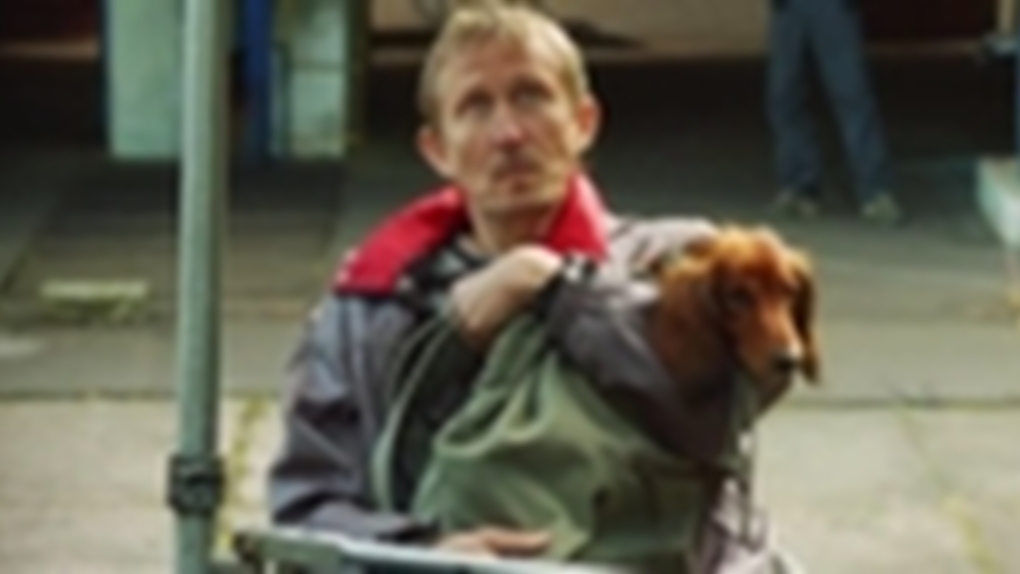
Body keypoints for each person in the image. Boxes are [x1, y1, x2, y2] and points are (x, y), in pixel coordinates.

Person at [268, 3, 799, 571]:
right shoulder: (370, 305)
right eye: (475, 107)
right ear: (438, 150)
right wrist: (428, 553)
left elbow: (720, 404)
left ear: (583, 123)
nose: (509, 134)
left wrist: (557, 288)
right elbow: (308, 507)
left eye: (531, 97)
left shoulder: (681, 263)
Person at [766, 0, 904, 225]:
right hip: (791, 7)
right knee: (785, 96)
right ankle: (800, 186)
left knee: (851, 93)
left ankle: (875, 191)